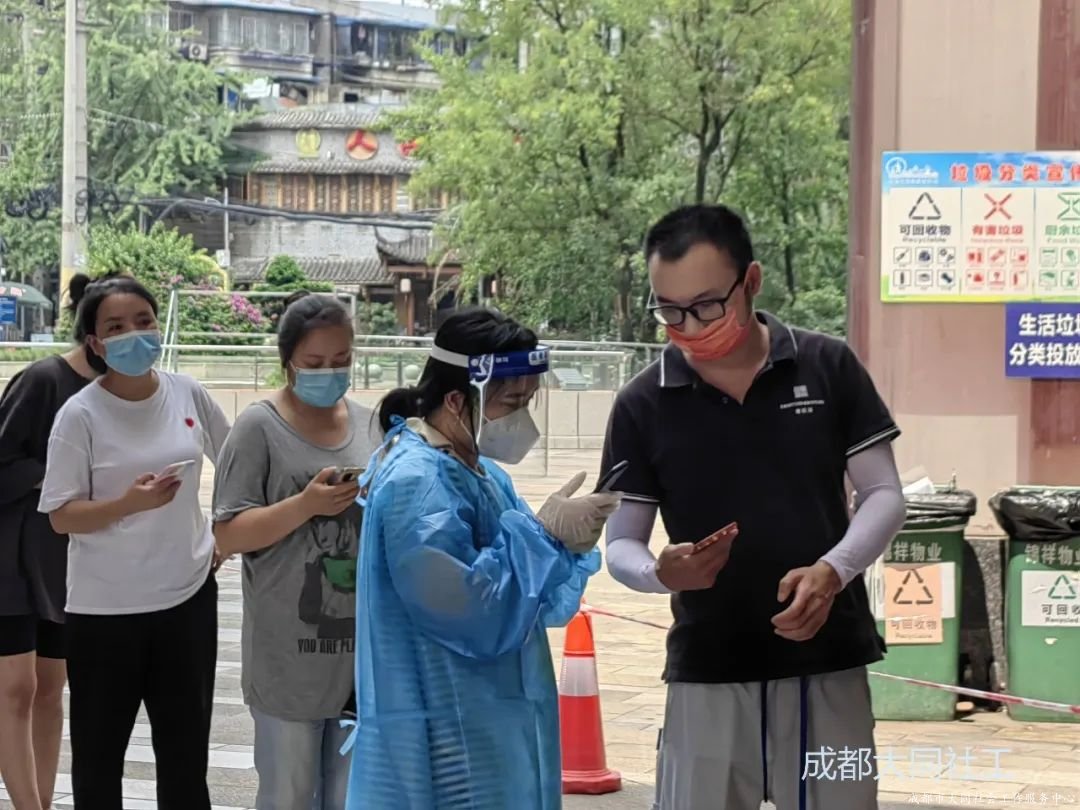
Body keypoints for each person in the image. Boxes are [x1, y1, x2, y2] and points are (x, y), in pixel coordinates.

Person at [600, 204, 906, 810]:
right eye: (670, 310)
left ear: (752, 281)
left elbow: (884, 494)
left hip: (827, 661)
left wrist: (834, 570)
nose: (690, 326)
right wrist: (660, 572)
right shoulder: (642, 403)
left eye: (707, 305)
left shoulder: (828, 366)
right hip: (708, 667)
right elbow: (621, 544)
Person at [345, 309, 619, 810]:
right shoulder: (417, 484)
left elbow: (540, 604)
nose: (521, 418)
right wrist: (544, 537)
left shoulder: (481, 474)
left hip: (492, 725)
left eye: (528, 401)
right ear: (457, 400)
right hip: (448, 739)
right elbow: (473, 614)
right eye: (512, 402)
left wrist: (569, 545)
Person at [37, 275, 231, 810]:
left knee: (185, 760)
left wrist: (225, 532)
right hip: (105, 614)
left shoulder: (188, 393)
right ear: (96, 344)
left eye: (144, 322)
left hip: (186, 602)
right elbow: (61, 517)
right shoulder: (79, 415)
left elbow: (237, 463)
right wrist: (128, 503)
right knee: (99, 763)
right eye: (116, 328)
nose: (135, 335)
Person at [212, 293, 379, 810]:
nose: (330, 373)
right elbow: (227, 535)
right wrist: (306, 505)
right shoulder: (258, 428)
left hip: (359, 663)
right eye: (315, 362)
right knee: (287, 796)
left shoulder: (370, 425)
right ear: (287, 362)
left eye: (341, 360)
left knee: (350, 798)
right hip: (288, 661)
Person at [0, 273, 116, 810]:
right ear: (90, 333)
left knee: (51, 687)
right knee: (16, 688)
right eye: (115, 326)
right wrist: (54, 477)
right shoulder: (44, 380)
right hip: (11, 559)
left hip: (66, 564)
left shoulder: (117, 394)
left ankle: (42, 801)